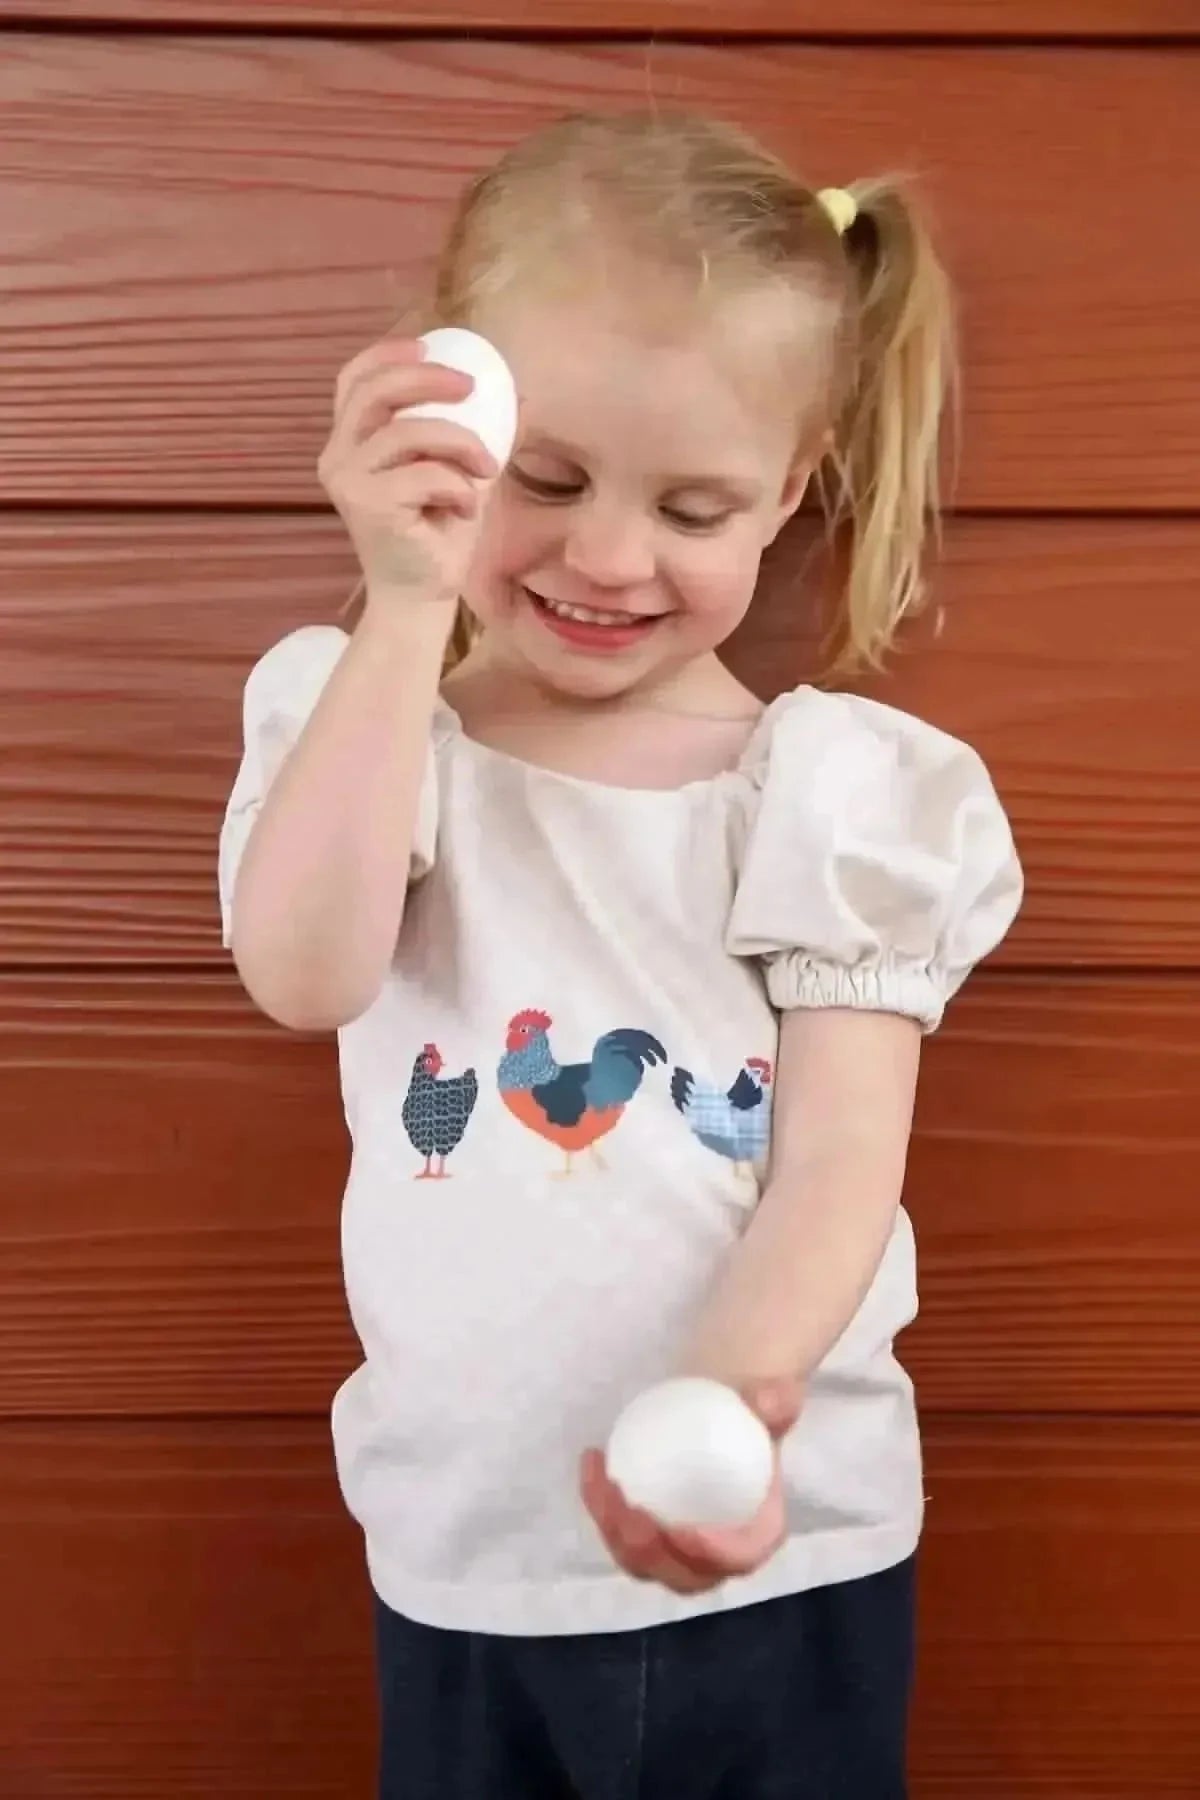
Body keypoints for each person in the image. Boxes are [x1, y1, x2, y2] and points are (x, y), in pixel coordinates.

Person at [219, 109, 1023, 1799]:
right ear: (447, 425)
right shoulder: (365, 726)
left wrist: (727, 1413)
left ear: (788, 495)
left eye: (694, 505)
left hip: (781, 1548)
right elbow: (307, 974)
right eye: (551, 478)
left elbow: (838, 1170)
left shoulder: (835, 792)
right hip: (470, 1551)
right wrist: (402, 603)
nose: (604, 557)